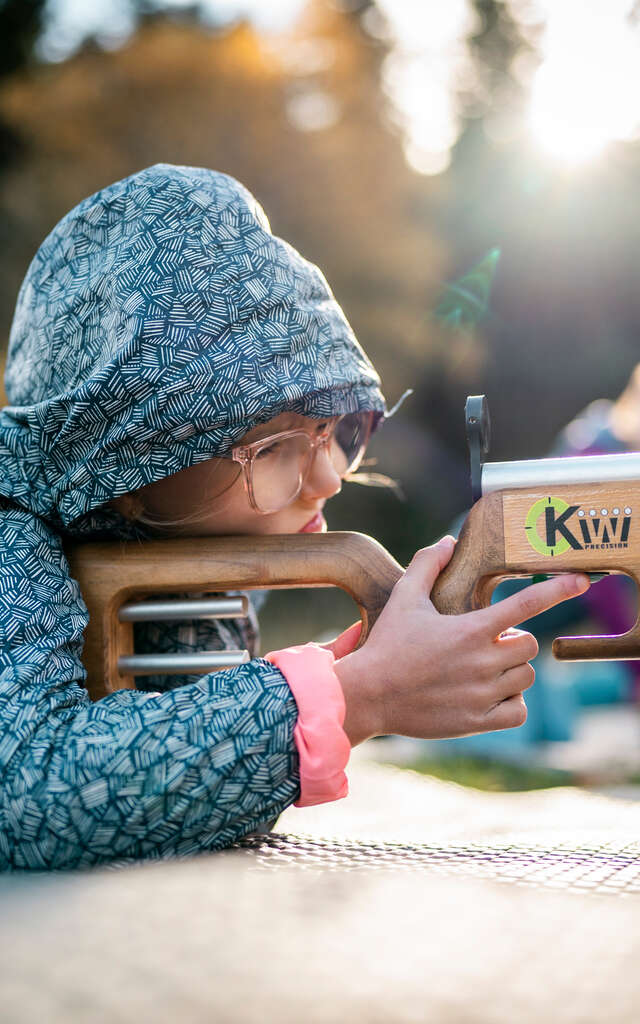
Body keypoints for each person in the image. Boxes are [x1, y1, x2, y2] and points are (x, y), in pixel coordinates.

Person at [0, 164, 589, 869]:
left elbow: (170, 809)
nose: (331, 478)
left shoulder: (187, 543)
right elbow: (27, 794)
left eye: (342, 431)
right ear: (129, 472)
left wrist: (351, 676)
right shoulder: (14, 532)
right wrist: (356, 698)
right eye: (275, 449)